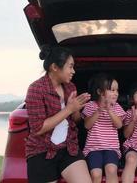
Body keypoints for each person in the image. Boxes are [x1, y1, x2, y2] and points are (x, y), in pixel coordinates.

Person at [25, 45, 92, 183]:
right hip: (41, 151)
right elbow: (38, 129)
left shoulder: (70, 87)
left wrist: (76, 108)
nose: (73, 71)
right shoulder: (36, 89)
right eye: (70, 66)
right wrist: (68, 109)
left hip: (69, 148)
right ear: (55, 67)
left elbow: (76, 120)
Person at [82, 73, 126, 183]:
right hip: (93, 148)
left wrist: (110, 111)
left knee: (111, 170)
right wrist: (99, 111)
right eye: (112, 90)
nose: (116, 93)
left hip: (111, 148)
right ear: (100, 92)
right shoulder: (90, 105)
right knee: (96, 174)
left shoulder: (116, 107)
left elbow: (119, 125)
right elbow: (87, 125)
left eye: (117, 90)